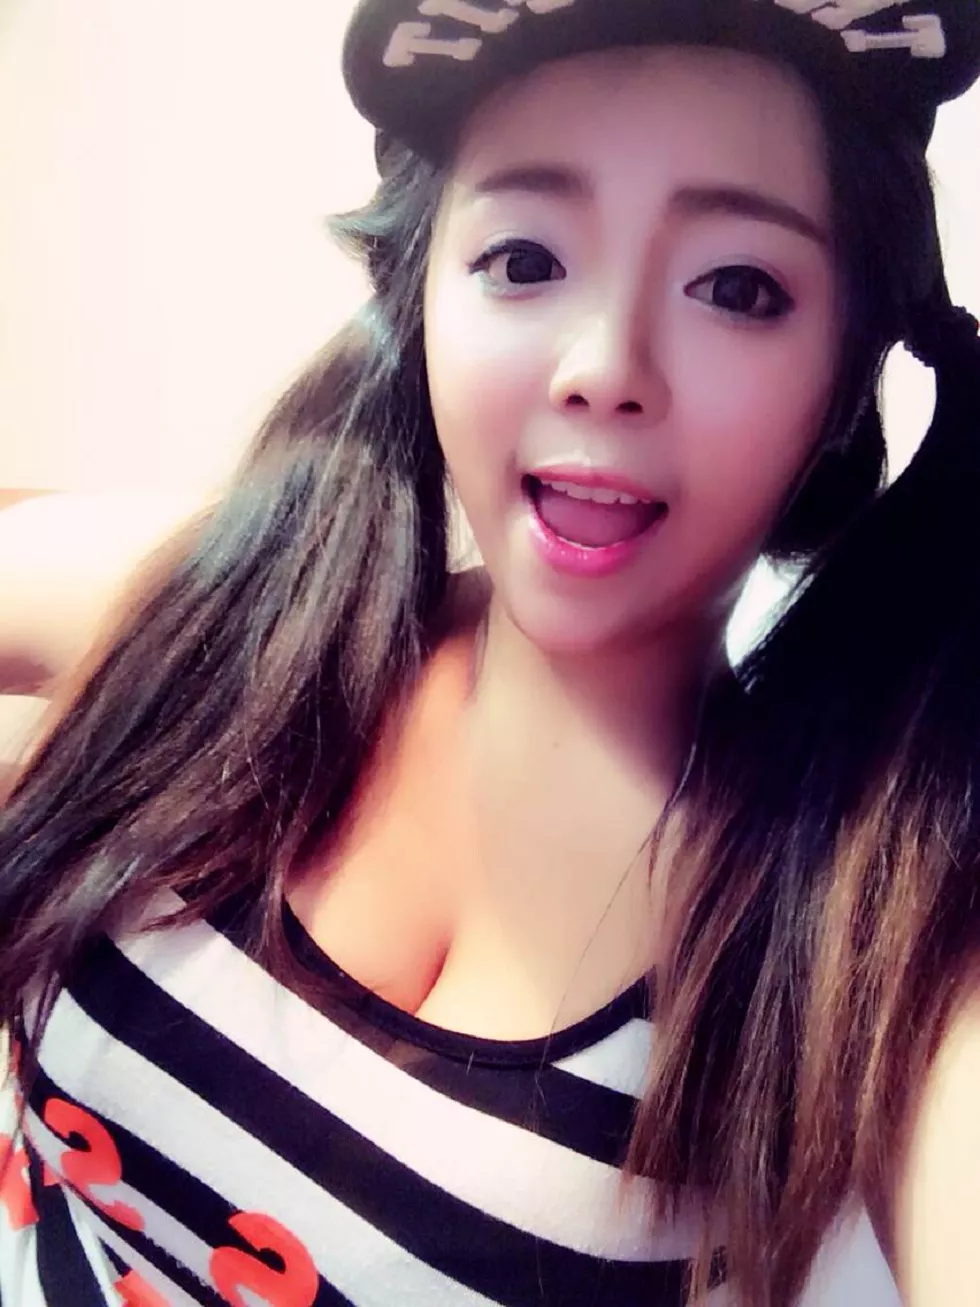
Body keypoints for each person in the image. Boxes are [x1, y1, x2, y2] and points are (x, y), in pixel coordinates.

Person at [2, 0, 979, 1302]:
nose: (604, 366)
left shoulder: (859, 916)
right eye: (524, 258)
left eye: (738, 287)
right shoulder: (218, 617)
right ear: (418, 297)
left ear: (847, 377)